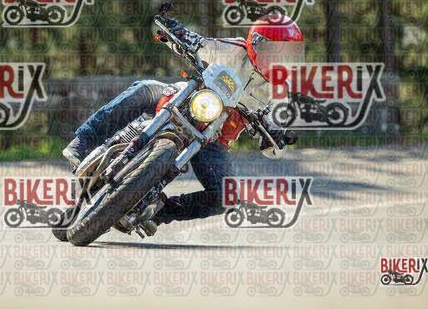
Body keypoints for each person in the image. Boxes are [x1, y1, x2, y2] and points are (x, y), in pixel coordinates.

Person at [63, 16, 304, 225]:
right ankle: (83, 142)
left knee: (226, 197)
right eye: (273, 51)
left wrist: (277, 138)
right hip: (185, 100)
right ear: (255, 43)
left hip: (212, 140)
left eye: (285, 54)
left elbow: (273, 140)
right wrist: (178, 33)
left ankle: (156, 212)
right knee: (144, 88)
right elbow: (202, 45)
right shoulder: (235, 49)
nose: (277, 59)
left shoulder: (279, 90)